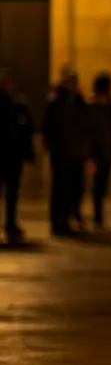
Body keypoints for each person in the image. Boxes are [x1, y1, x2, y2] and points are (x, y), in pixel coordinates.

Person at [42, 67, 90, 236]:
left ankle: (69, 218)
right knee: (60, 188)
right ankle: (58, 221)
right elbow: (49, 125)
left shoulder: (78, 100)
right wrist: (52, 146)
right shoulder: (57, 101)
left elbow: (85, 124)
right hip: (61, 152)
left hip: (75, 152)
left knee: (74, 187)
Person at [0, 72, 35, 244]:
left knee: (12, 195)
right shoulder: (12, 106)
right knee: (11, 195)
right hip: (9, 156)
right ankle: (11, 226)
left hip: (11, 156)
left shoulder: (15, 105)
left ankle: (11, 225)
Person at [87, 74, 111, 229]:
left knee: (102, 185)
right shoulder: (94, 107)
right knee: (97, 186)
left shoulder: (109, 107)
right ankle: (97, 216)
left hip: (105, 152)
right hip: (97, 153)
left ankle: (99, 216)